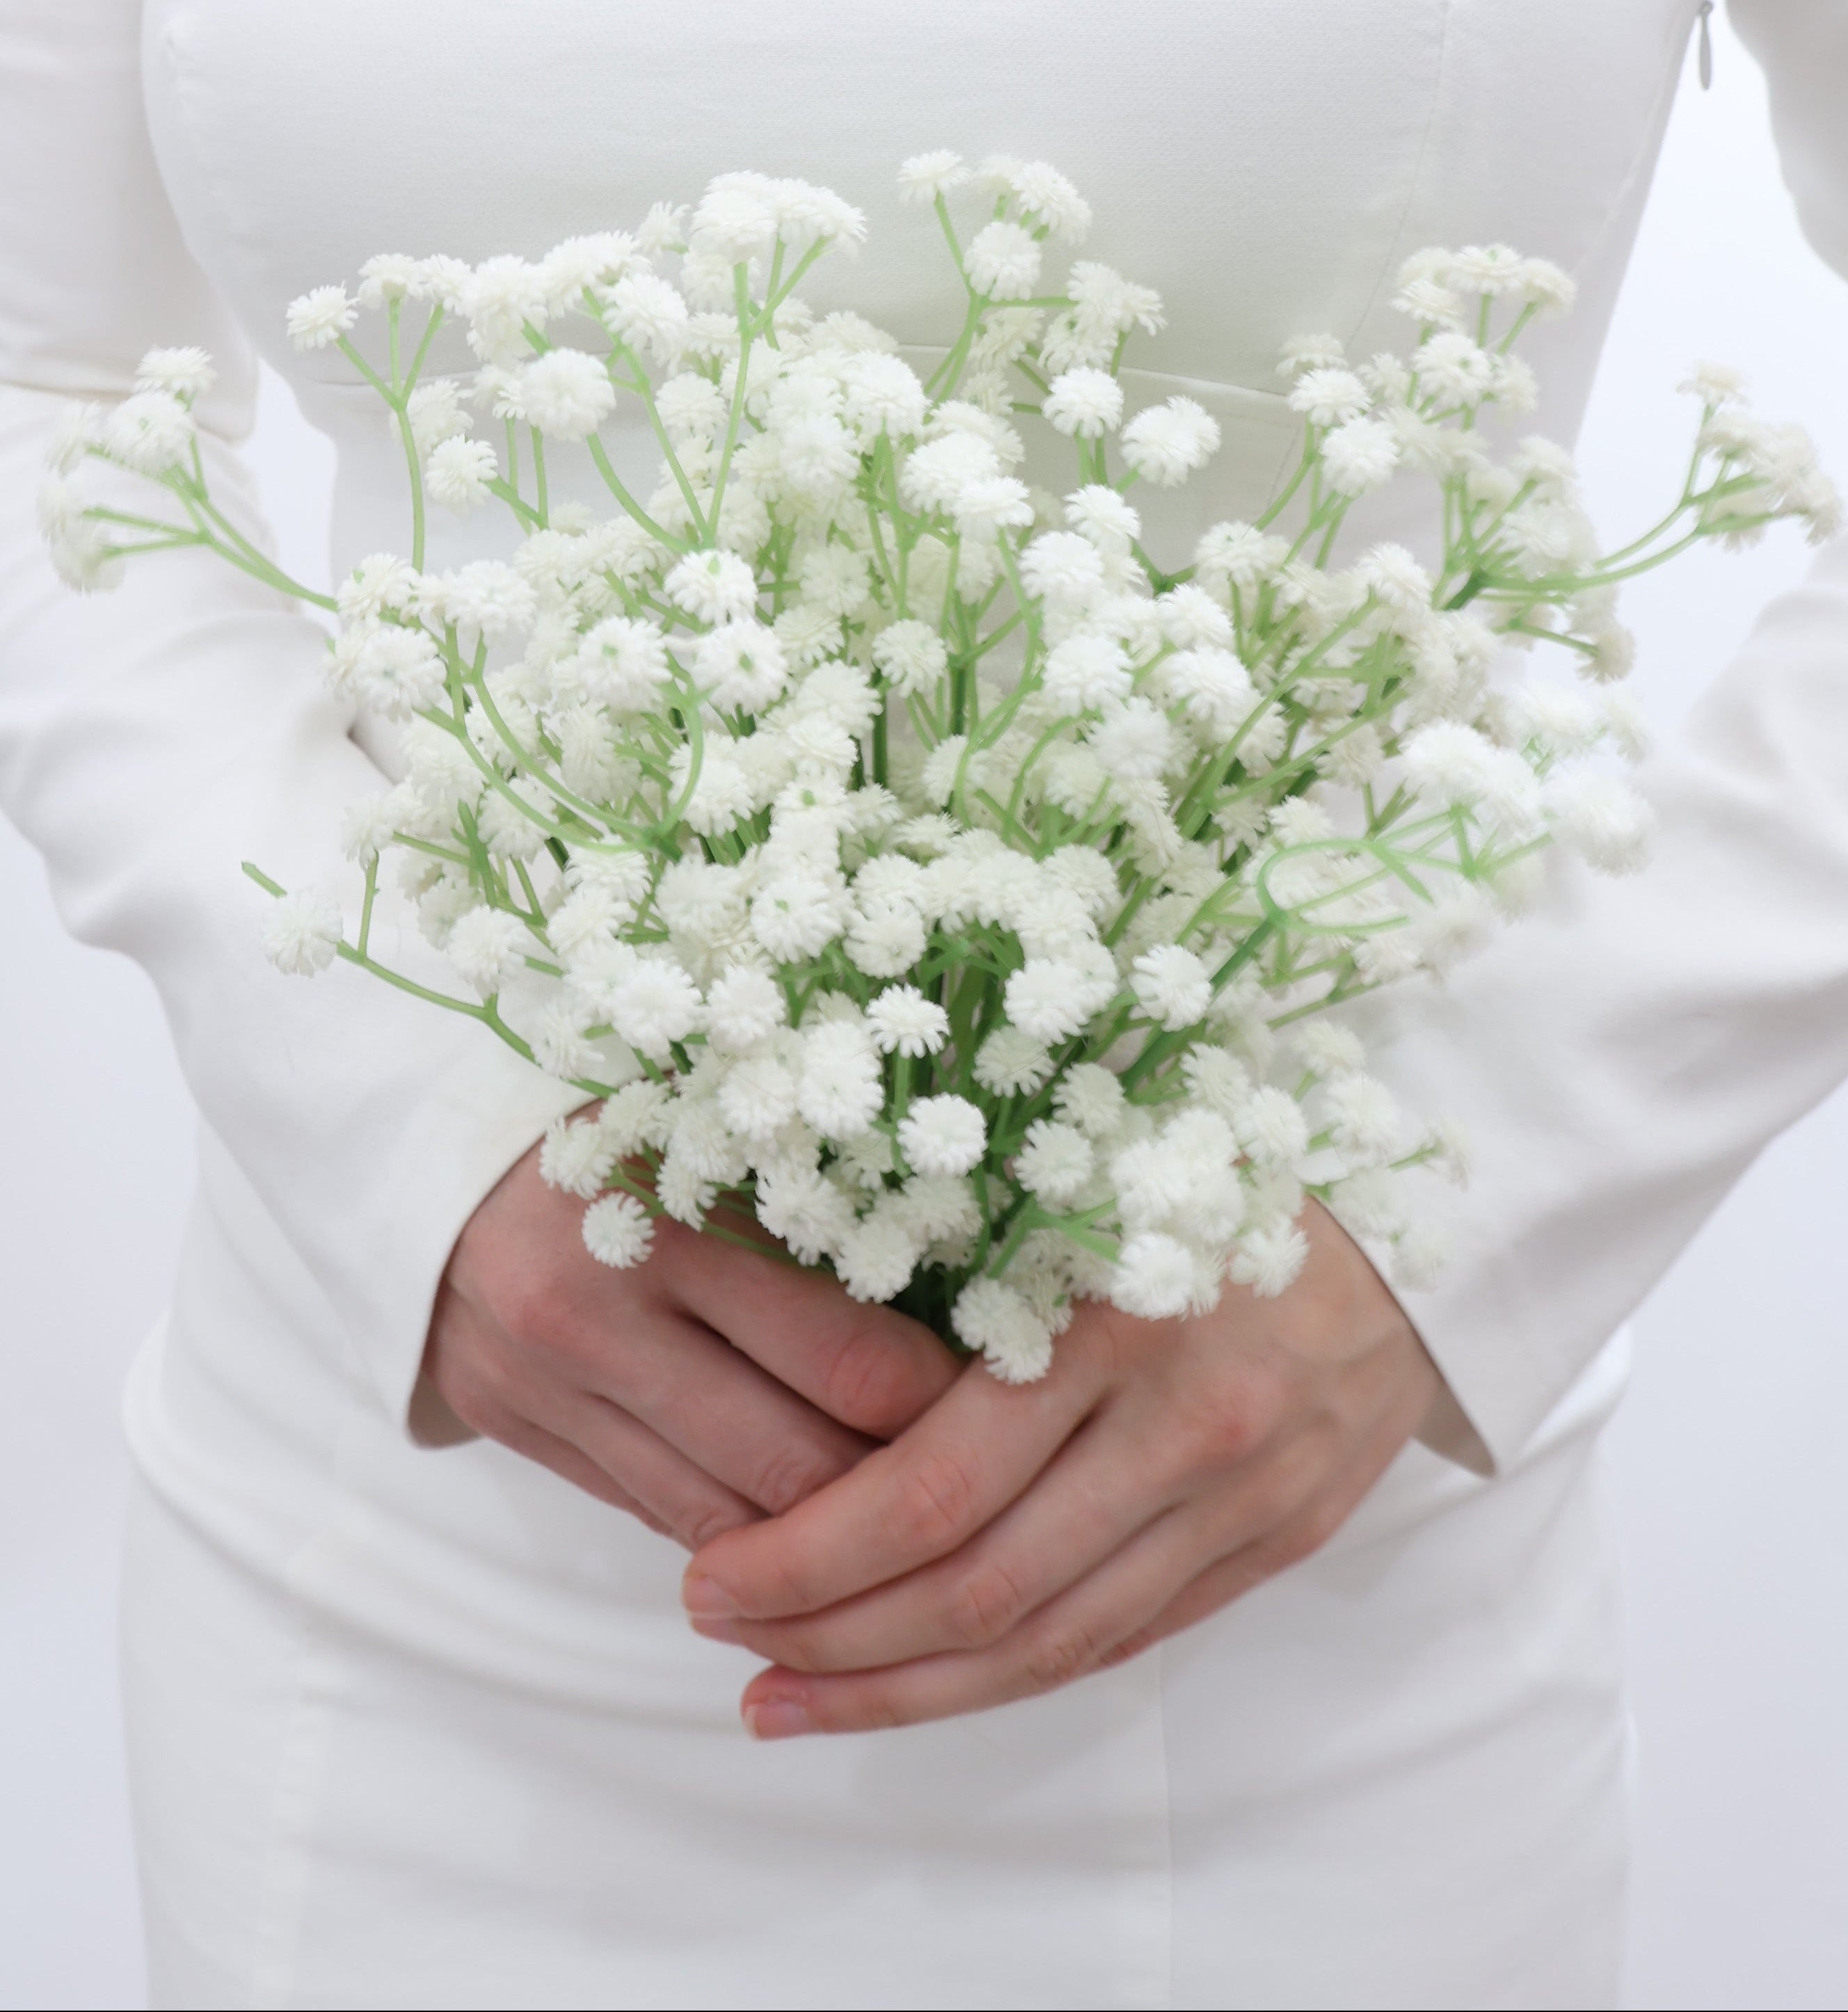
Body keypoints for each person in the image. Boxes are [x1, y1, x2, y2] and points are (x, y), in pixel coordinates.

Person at [1, 1, 1839, 2004]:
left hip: (1299, 1647)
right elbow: (37, 372)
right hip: (405, 1613)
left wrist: (1462, 1209)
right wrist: (401, 1131)